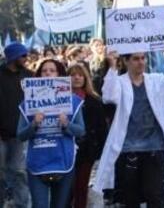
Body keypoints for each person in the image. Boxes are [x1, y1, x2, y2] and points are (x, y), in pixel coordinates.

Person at [93, 48, 164, 208]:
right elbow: (109, 96)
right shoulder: (120, 82)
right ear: (126, 61)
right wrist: (112, 66)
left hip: (154, 148)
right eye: (136, 59)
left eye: (143, 58)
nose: (141, 62)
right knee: (131, 199)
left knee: (154, 195)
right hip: (128, 149)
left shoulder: (157, 80)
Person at [17, 58, 85, 208]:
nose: (48, 73)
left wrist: (67, 124)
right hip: (37, 163)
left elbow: (81, 131)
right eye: (44, 71)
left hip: (64, 161)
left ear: (59, 75)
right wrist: (33, 124)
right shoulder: (28, 103)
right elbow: (20, 135)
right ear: (39, 75)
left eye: (52, 70)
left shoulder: (73, 101)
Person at [69, 63, 108, 208]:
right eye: (73, 75)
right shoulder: (59, 100)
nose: (77, 78)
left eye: (80, 75)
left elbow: (101, 128)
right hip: (66, 149)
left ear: (86, 78)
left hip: (86, 151)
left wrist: (98, 150)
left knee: (81, 186)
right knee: (67, 189)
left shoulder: (94, 100)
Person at [0, 42, 32, 207]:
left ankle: (21, 205)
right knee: (1, 173)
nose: (27, 58)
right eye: (23, 55)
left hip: (20, 134)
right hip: (0, 135)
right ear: (13, 56)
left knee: (20, 172)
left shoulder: (29, 76)